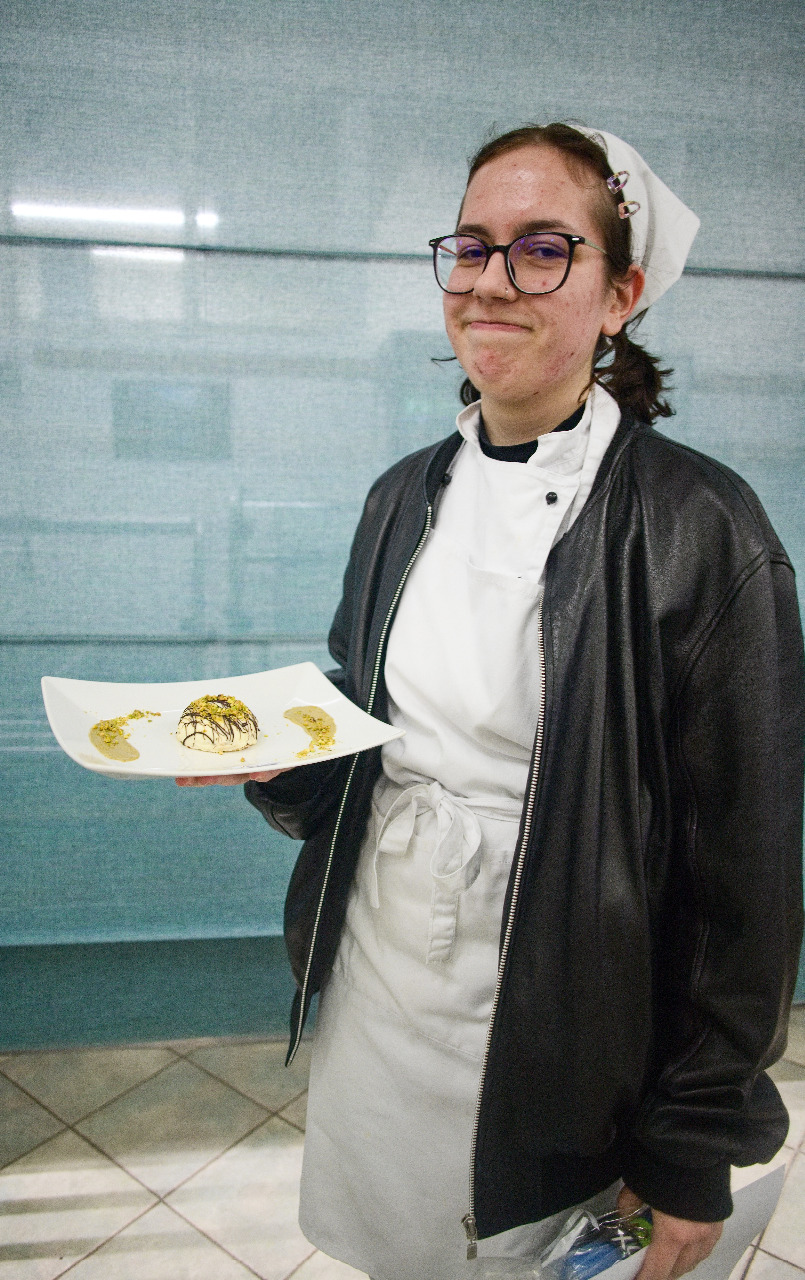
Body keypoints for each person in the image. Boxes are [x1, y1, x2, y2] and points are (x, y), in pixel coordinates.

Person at [178, 123, 805, 1280]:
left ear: (620, 296)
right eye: (471, 246)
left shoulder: (701, 530)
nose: (491, 280)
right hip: (380, 984)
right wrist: (285, 753)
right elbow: (373, 728)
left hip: (567, 1031)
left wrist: (689, 1145)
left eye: (542, 249)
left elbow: (744, 879)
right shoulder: (400, 496)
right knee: (402, 1247)